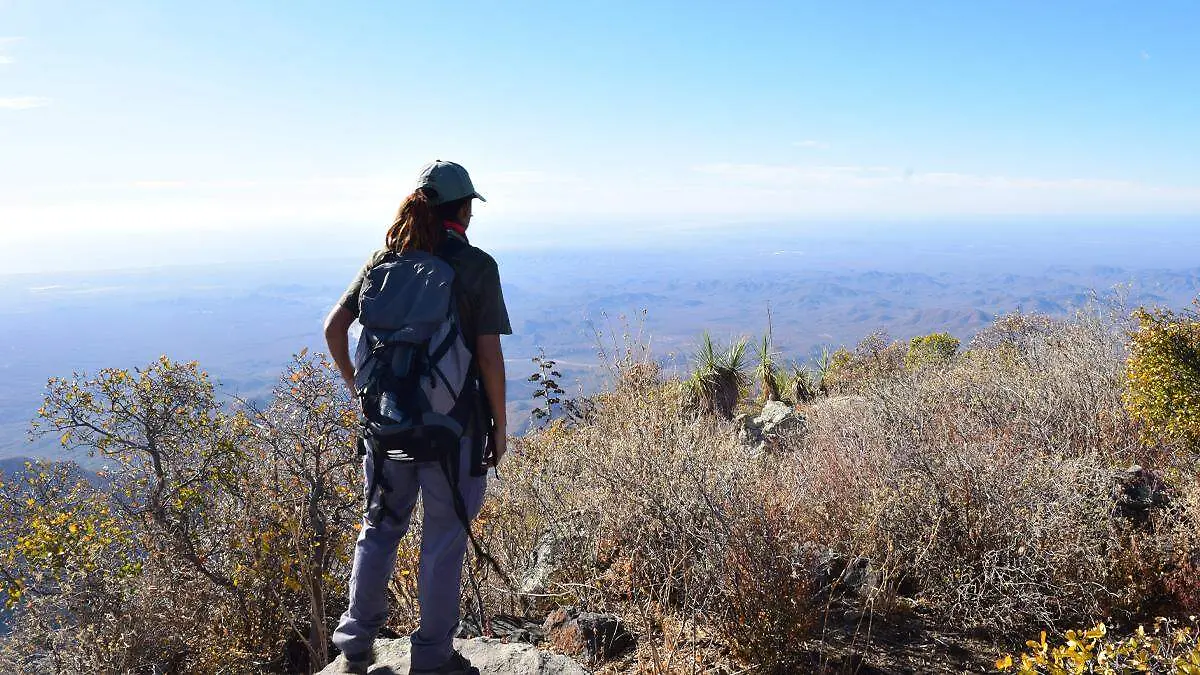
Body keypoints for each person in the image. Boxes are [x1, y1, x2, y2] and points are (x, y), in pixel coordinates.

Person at [323, 160, 511, 675]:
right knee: (444, 539)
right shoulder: (474, 266)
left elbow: (333, 328)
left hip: (384, 426)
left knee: (379, 528)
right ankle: (431, 655)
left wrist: (362, 394)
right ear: (464, 210)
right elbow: (489, 357)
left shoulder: (385, 258)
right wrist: (499, 425)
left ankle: (355, 644)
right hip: (455, 431)